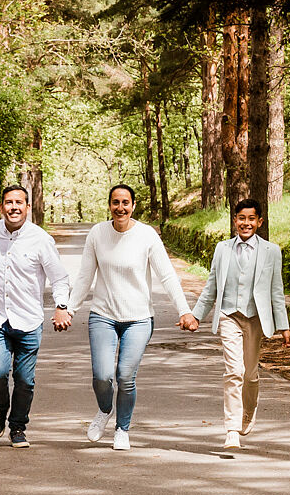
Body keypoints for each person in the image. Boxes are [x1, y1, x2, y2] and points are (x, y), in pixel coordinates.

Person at [68, 184, 199, 450]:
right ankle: (105, 410)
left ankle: (122, 429)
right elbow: (84, 276)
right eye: (115, 202)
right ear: (109, 205)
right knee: (102, 376)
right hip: (103, 315)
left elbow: (167, 276)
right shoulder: (97, 233)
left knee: (126, 376)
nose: (120, 208)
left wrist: (184, 310)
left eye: (125, 202)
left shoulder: (146, 235)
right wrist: (68, 308)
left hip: (138, 318)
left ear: (133, 206)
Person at [0, 185, 71, 448]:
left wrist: (61, 305)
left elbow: (59, 278)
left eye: (19, 202)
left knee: (24, 380)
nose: (14, 207)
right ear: (1, 207)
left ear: (28, 207)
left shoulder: (40, 238)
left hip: (29, 320)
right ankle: (0, 408)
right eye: (9, 202)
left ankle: (18, 426)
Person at [192, 198, 290, 450]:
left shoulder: (271, 251)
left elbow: (276, 292)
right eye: (241, 218)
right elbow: (211, 286)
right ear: (234, 219)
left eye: (251, 219)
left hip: (256, 318)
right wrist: (196, 315)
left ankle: (249, 410)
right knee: (233, 371)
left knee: (250, 373)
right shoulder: (222, 249)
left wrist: (284, 326)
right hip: (229, 315)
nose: (245, 223)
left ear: (259, 222)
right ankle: (232, 429)